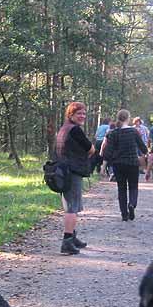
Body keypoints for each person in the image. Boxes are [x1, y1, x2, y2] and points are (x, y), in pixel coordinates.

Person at [55, 102, 94, 255]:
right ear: (70, 114)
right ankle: (67, 242)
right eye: (79, 113)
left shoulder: (64, 128)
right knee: (72, 208)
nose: (82, 116)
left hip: (63, 171)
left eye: (84, 113)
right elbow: (90, 149)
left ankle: (73, 236)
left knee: (71, 205)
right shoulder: (75, 130)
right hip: (72, 172)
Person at [103, 110, 147, 221]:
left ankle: (124, 214)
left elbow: (107, 152)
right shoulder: (134, 132)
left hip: (118, 165)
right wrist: (145, 155)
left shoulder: (113, 133)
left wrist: (106, 165)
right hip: (132, 163)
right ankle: (132, 204)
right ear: (128, 118)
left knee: (121, 188)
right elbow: (143, 148)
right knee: (133, 186)